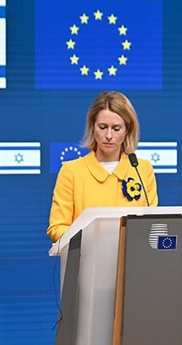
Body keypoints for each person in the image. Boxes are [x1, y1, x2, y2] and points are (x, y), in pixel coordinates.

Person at [47, 91, 158, 242]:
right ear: (93, 127)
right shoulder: (71, 171)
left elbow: (151, 225)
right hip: (86, 255)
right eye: (103, 127)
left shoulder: (142, 170)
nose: (109, 136)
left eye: (116, 128)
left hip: (132, 256)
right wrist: (91, 239)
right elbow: (57, 228)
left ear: (127, 130)